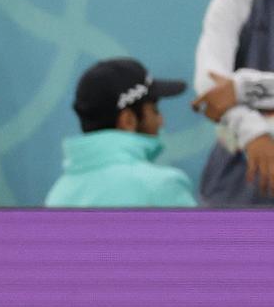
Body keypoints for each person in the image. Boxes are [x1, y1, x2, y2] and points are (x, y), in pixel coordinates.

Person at [192, 0, 274, 204]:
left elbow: (229, 90)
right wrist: (254, 133)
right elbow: (211, 90)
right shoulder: (235, 2)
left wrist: (242, 89)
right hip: (244, 183)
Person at [45, 58, 196, 206]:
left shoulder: (57, 196)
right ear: (128, 120)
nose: (161, 121)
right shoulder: (163, 186)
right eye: (155, 110)